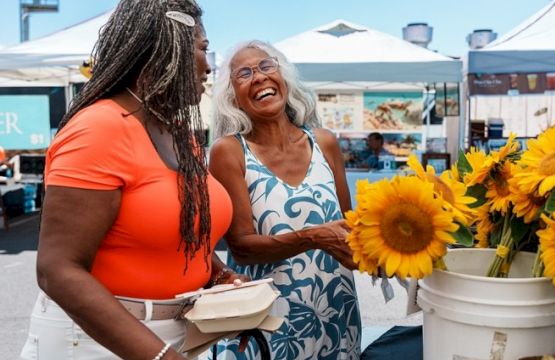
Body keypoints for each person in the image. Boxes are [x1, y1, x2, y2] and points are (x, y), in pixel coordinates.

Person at [20, 1, 246, 359]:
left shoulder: (178, 134)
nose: (209, 66)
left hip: (176, 335)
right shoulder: (99, 128)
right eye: (203, 49)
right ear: (167, 49)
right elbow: (57, 270)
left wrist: (220, 277)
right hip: (94, 342)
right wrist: (161, 356)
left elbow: (179, 234)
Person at [209, 40, 361, 359]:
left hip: (335, 318)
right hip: (265, 327)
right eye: (244, 73)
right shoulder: (229, 152)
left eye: (267, 66)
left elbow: (352, 232)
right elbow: (242, 247)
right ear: (231, 97)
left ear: (284, 77)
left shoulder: (325, 143)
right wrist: (314, 237)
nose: (260, 77)